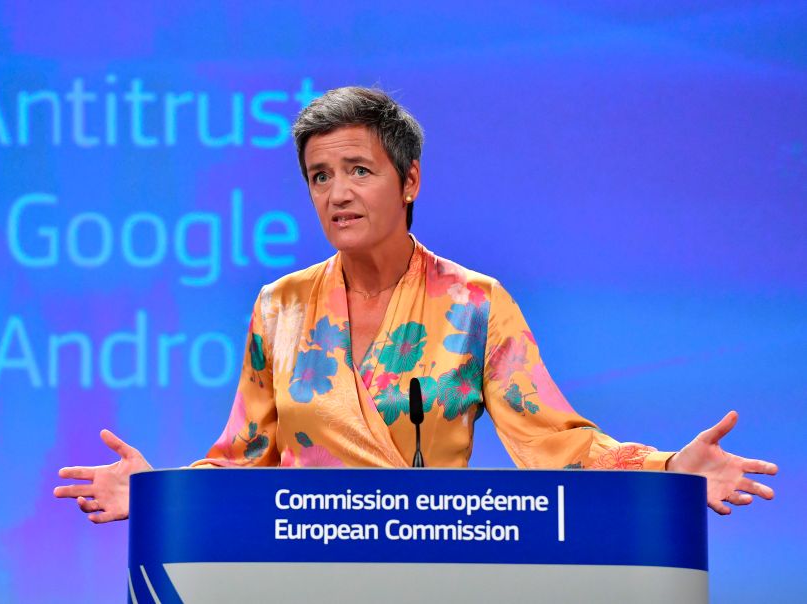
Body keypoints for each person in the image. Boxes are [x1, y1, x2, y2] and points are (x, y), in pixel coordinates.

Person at [55, 86, 777, 523]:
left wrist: (668, 467)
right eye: (318, 176)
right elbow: (243, 461)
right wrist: (155, 493)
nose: (335, 193)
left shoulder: (474, 304)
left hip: (430, 566)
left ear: (409, 181)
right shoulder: (280, 307)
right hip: (293, 573)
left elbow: (558, 443)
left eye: (358, 171)